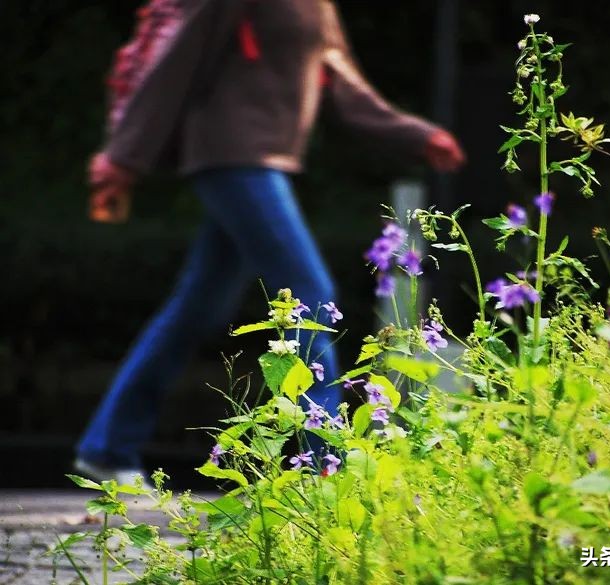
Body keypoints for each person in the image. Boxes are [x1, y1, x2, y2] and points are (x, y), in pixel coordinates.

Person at [75, 0, 465, 484]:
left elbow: (342, 82)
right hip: (233, 157)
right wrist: (124, 156)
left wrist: (414, 135)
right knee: (310, 296)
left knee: (197, 307)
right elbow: (181, 60)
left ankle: (107, 449)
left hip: (264, 160)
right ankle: (327, 465)